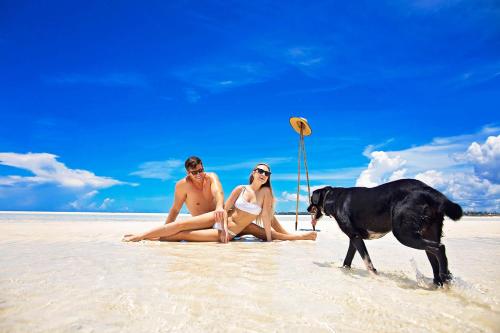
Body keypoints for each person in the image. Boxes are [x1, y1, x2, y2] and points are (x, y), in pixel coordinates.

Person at [123, 163, 317, 242]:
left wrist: (268, 241)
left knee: (182, 235)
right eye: (260, 170)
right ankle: (139, 236)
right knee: (179, 224)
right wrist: (222, 227)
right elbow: (224, 208)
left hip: (232, 231)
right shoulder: (240, 188)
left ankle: (302, 238)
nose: (263, 174)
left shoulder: (267, 195)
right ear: (253, 173)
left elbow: (267, 219)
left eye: (266, 173)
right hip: (221, 222)